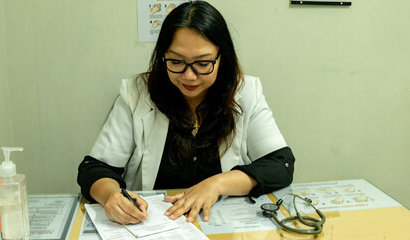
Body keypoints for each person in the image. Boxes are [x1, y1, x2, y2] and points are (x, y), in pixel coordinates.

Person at [77, 1, 295, 225]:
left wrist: (216, 184)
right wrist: (110, 196)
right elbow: (94, 168)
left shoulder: (246, 92)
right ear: (163, 57)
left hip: (222, 225)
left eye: (202, 63)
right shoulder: (137, 93)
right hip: (154, 225)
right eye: (176, 61)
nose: (189, 76)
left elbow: (280, 164)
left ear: (222, 57)